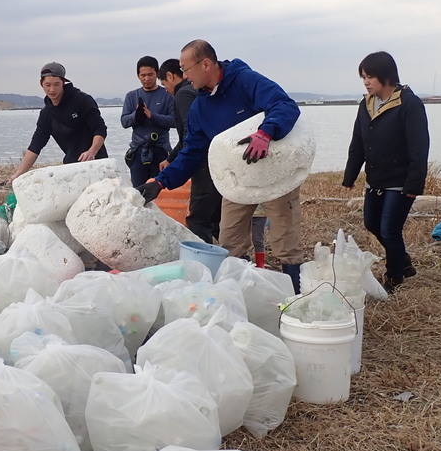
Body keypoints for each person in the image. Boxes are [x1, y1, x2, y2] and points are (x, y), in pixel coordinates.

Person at [137, 40, 304, 293]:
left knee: (284, 239)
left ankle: (296, 298)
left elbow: (284, 105)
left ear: (205, 64)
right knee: (230, 241)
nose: (184, 76)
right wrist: (161, 182)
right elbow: (191, 152)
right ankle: (239, 296)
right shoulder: (200, 108)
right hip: (237, 179)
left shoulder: (245, 80)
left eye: (186, 69)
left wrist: (266, 133)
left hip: (273, 173)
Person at [342, 51, 429, 293]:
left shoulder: (409, 104)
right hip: (375, 178)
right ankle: (402, 260)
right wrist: (350, 175)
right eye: (363, 77)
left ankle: (394, 276)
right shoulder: (366, 104)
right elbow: (357, 142)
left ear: (386, 76)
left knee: (390, 228)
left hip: (400, 180)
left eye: (370, 76)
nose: (366, 82)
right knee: (371, 223)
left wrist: (414, 184)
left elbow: (419, 147)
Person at [157, 58, 222, 243]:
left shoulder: (183, 95)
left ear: (170, 76)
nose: (166, 90)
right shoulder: (197, 91)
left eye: (164, 84)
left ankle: (202, 263)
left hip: (201, 162)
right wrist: (171, 158)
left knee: (198, 220)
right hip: (217, 158)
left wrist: (179, 164)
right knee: (217, 217)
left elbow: (190, 134)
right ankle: (232, 258)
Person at [10, 62, 109, 182]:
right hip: (71, 166)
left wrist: (92, 151)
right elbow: (35, 146)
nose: (52, 89)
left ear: (63, 82)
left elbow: (100, 129)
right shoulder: (46, 114)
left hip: (97, 162)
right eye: (48, 85)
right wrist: (19, 174)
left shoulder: (82, 100)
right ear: (41, 84)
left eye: (56, 84)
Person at [120, 55, 175, 187]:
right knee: (138, 191)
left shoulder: (167, 94)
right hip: (138, 150)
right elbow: (124, 122)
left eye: (150, 74)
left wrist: (152, 115)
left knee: (161, 189)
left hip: (161, 150)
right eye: (143, 75)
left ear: (156, 74)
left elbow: (174, 121)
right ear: (138, 75)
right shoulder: (131, 96)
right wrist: (137, 115)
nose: (146, 79)